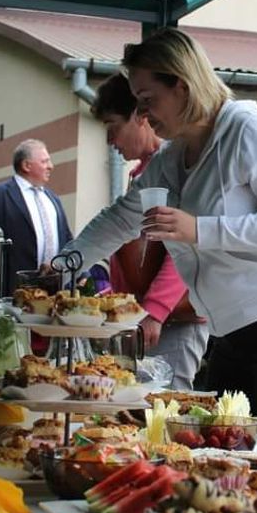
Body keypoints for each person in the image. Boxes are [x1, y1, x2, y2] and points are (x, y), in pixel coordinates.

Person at [57, 28, 257, 425]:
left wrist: (199, 229)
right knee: (229, 463)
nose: (143, 115)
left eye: (148, 100)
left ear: (181, 85)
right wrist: (64, 264)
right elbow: (121, 217)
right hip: (232, 334)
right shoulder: (170, 157)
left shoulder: (249, 131)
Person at [90, 73, 209, 390]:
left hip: (171, 321)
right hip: (148, 319)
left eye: (113, 127)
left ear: (140, 117)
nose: (110, 141)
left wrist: (155, 310)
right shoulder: (143, 173)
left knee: (164, 415)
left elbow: (184, 249)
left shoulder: (170, 169)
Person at [0, 139, 73, 296]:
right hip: (13, 292)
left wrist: (82, 274)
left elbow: (67, 238)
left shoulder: (53, 199)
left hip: (54, 292)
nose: (51, 166)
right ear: (26, 165)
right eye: (45, 161)